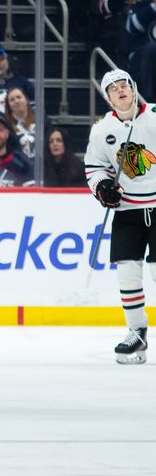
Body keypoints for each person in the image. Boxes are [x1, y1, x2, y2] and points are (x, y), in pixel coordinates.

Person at [84, 69, 152, 364]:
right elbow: (94, 167)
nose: (121, 90)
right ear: (108, 98)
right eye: (114, 89)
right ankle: (136, 331)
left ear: (134, 89)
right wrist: (103, 188)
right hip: (127, 210)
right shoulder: (101, 130)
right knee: (127, 271)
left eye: (125, 85)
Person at [3, 87, 38, 159]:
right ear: (8, 105)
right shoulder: (5, 126)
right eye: (12, 100)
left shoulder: (41, 120)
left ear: (26, 99)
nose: (16, 101)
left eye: (19, 97)